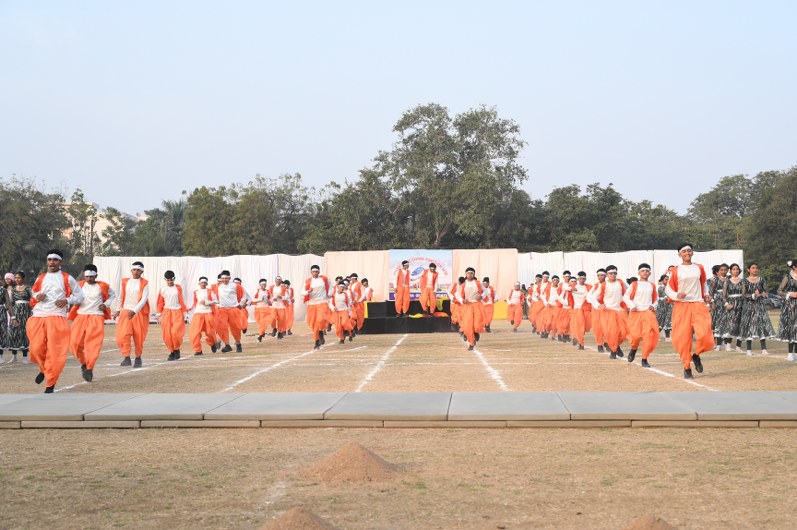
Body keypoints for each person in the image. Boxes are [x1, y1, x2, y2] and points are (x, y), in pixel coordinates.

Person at [26, 249, 84, 392]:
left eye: (55, 260)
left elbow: (80, 296)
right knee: (35, 348)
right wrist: (37, 296)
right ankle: (44, 368)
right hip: (38, 316)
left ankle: (50, 382)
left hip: (57, 317)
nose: (52, 262)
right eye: (49, 260)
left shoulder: (67, 278)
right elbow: (34, 292)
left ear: (60, 262)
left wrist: (67, 300)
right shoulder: (41, 277)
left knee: (55, 352)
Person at [665, 243, 713, 379]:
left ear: (692, 253)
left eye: (689, 251)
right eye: (684, 251)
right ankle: (687, 367)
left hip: (698, 304)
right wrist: (676, 295)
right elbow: (668, 288)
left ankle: (696, 355)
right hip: (682, 306)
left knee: (705, 335)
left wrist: (706, 294)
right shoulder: (675, 270)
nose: (687, 253)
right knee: (683, 339)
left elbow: (704, 284)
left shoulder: (699, 267)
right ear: (680, 254)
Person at [68, 264, 115, 381]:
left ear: (96, 276)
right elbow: (73, 297)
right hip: (81, 316)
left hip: (96, 316)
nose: (89, 279)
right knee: (74, 344)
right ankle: (84, 363)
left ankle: (89, 368)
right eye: (87, 276)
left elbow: (113, 294)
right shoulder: (79, 285)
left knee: (93, 344)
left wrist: (106, 304)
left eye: (92, 277)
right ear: (84, 276)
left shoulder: (102, 286)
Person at [113, 261, 150, 368]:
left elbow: (144, 299)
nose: (136, 272)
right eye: (134, 270)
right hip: (125, 311)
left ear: (141, 272)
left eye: (138, 270)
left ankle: (138, 358)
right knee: (122, 335)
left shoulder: (145, 283)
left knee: (139, 337)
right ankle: (126, 357)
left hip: (138, 313)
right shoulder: (125, 281)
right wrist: (118, 309)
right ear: (131, 270)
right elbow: (121, 296)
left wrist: (134, 311)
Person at [624, 263, 659, 367]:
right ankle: (633, 349)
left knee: (648, 337)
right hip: (636, 313)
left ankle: (644, 359)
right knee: (635, 336)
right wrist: (631, 306)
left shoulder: (652, 285)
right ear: (638, 273)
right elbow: (626, 297)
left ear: (650, 273)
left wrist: (653, 305)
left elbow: (656, 299)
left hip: (648, 313)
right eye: (643, 271)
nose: (645, 273)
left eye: (647, 271)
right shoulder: (634, 284)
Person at [737, 262, 776, 355]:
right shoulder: (744, 281)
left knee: (761, 325)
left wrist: (764, 294)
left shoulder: (761, 279)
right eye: (753, 268)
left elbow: (765, 291)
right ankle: (749, 350)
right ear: (748, 269)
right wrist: (753, 295)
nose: (755, 269)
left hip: (760, 305)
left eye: (757, 268)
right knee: (749, 326)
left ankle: (764, 349)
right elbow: (743, 295)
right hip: (748, 306)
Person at [593, 265, 627, 359]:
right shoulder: (603, 285)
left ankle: (617, 345)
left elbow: (627, 294)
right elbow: (593, 297)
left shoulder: (621, 282)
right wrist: (598, 305)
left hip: (620, 311)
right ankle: (613, 350)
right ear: (607, 275)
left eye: (615, 273)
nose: (613, 275)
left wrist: (630, 305)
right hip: (608, 312)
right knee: (612, 332)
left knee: (624, 332)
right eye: (611, 273)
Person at [156, 270, 188, 361]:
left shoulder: (178, 288)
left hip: (177, 311)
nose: (170, 282)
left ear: (174, 279)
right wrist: (159, 313)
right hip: (167, 312)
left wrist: (184, 312)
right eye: (168, 280)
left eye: (171, 280)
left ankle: (176, 349)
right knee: (167, 334)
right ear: (165, 279)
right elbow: (160, 302)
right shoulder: (163, 289)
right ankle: (172, 351)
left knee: (175, 332)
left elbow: (181, 300)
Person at [214, 270, 246, 352]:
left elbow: (244, 296)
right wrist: (217, 305)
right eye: (223, 278)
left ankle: (238, 343)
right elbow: (215, 298)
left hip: (233, 309)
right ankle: (225, 344)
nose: (224, 280)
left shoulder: (236, 286)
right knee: (220, 326)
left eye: (226, 278)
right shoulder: (218, 287)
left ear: (229, 278)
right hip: (222, 309)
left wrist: (240, 304)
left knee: (235, 328)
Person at [6, 271, 34, 364]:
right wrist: (12, 316)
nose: (17, 279)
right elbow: (11, 303)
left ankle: (25, 357)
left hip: (26, 313)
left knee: (24, 333)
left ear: (23, 278)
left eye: (19, 278)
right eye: (16, 278)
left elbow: (33, 300)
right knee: (14, 333)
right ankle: (14, 356)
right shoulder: (13, 289)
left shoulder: (28, 288)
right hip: (16, 313)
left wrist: (32, 312)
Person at [302, 265, 331, 349]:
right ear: (311, 272)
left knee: (321, 320)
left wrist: (329, 293)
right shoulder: (308, 281)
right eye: (313, 272)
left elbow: (331, 286)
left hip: (322, 302)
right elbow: (302, 293)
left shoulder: (324, 279)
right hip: (312, 304)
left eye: (316, 272)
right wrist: (308, 291)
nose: (315, 273)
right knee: (314, 324)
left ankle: (321, 331)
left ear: (319, 272)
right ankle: (316, 341)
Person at [188, 276, 218, 356]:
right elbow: (195, 303)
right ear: (199, 283)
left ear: (207, 283)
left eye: (205, 282)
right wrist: (190, 308)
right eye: (202, 282)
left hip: (208, 313)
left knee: (210, 332)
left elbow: (216, 301)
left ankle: (212, 343)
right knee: (195, 333)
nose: (203, 284)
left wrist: (207, 302)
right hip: (198, 313)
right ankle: (198, 350)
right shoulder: (196, 292)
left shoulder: (210, 291)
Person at [458, 267, 484, 350]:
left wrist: (481, 296)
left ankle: (476, 332)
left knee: (477, 324)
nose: (470, 275)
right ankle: (471, 343)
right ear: (466, 274)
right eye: (468, 273)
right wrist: (462, 300)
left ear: (474, 274)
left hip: (477, 305)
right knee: (468, 324)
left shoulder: (478, 283)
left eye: (472, 273)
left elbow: (486, 291)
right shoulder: (463, 284)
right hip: (467, 306)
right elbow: (457, 294)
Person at [721, 264, 745, 352]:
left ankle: (738, 346)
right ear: (730, 271)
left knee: (741, 324)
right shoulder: (727, 282)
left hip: (741, 304)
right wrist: (726, 304)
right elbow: (723, 296)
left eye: (737, 269)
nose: (736, 271)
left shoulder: (743, 281)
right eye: (734, 269)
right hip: (731, 305)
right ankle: (728, 345)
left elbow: (744, 294)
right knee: (731, 324)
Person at [777, 260, 797, 361]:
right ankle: (790, 353)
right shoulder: (787, 277)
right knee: (791, 327)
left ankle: (796, 353)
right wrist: (790, 294)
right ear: (794, 267)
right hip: (790, 305)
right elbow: (779, 291)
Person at [570, 272, 591, 350]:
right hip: (577, 309)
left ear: (585, 279)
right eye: (580, 278)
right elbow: (563, 287)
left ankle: (576, 336)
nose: (581, 280)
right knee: (580, 327)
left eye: (583, 278)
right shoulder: (573, 286)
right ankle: (581, 343)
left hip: (586, 310)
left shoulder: (589, 287)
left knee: (586, 327)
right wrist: (570, 288)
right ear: (578, 279)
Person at [589, 269, 607, 352]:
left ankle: (607, 342)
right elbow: (589, 297)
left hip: (607, 309)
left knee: (607, 327)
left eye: (602, 275)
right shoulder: (596, 286)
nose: (600, 277)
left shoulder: (609, 285)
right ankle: (600, 344)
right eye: (598, 275)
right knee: (598, 328)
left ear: (605, 275)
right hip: (597, 310)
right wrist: (597, 304)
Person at [655, 274, 673, 341]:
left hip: (668, 307)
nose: (667, 281)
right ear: (662, 280)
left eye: (668, 279)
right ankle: (655, 336)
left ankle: (667, 337)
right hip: (662, 307)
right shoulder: (661, 288)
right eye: (666, 279)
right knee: (660, 322)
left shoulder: (668, 287)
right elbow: (665, 297)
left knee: (667, 321)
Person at [0, 273, 12, 363]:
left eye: (0, 280)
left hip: (1, 312)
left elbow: (8, 303)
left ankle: (1, 356)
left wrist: (13, 316)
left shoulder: (3, 290)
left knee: (2, 333)